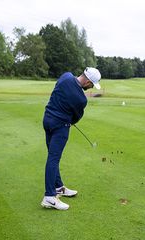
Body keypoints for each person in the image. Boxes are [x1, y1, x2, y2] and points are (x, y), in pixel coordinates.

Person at [41, 67, 101, 210]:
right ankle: (49, 196)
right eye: (92, 84)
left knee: (52, 157)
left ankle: (58, 187)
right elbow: (76, 118)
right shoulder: (81, 99)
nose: (91, 87)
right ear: (87, 81)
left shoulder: (65, 76)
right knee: (53, 159)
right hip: (60, 127)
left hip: (47, 120)